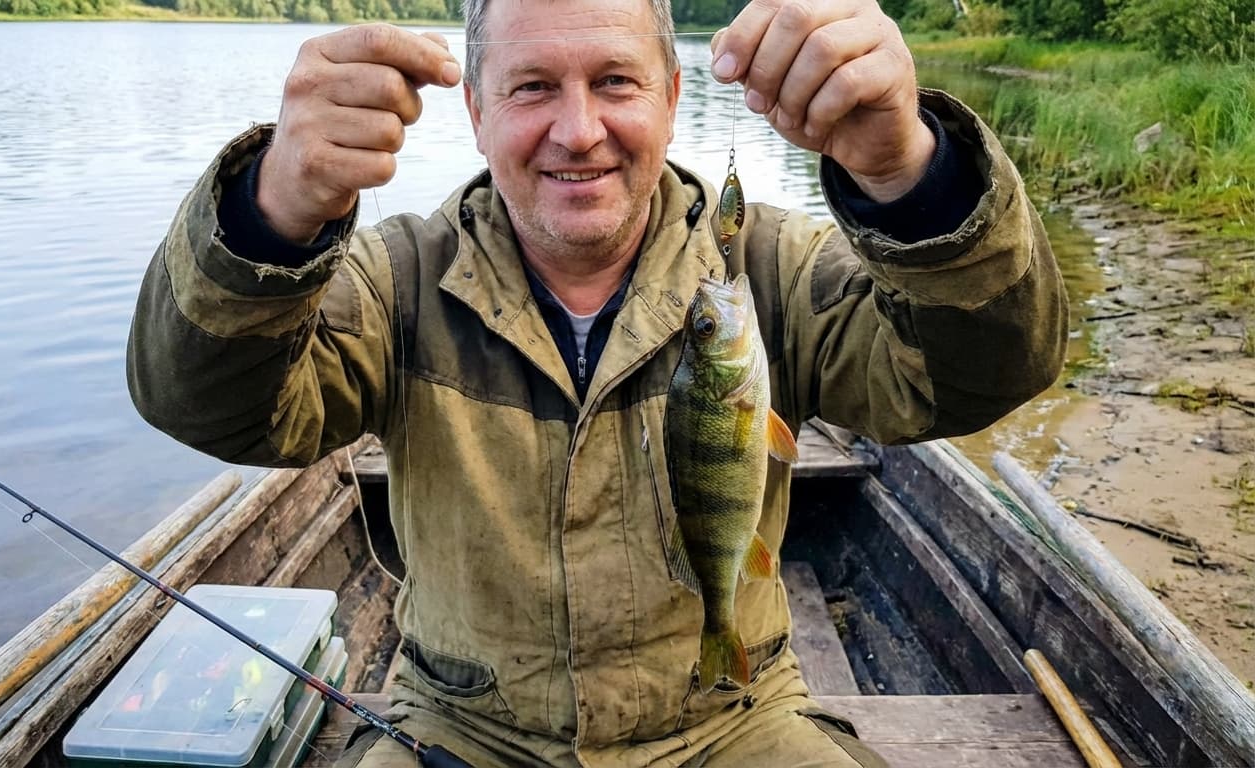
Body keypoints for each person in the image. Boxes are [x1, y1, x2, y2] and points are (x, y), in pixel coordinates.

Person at [127, 0, 1068, 764]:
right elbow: (207, 407)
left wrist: (912, 177)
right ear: (476, 111)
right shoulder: (394, 280)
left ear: (671, 95)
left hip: (733, 717)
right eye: (533, 86)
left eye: (615, 81)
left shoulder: (769, 269)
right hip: (457, 726)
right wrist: (271, 215)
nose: (579, 133)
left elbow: (986, 375)